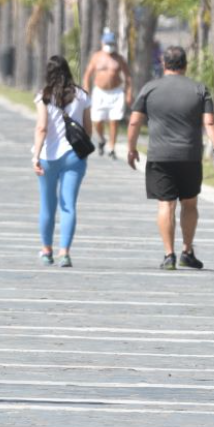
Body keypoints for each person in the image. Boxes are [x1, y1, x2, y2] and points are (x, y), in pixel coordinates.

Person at [126, 46, 214, 270]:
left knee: (166, 204)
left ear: (164, 64)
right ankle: (187, 250)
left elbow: (134, 121)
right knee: (189, 203)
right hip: (189, 157)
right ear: (185, 65)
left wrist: (132, 148)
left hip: (160, 156)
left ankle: (168, 255)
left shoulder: (149, 89)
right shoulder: (199, 89)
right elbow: (210, 123)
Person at [33, 56, 92, 268]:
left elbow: (42, 127)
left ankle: (47, 250)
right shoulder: (82, 95)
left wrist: (35, 155)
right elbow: (87, 128)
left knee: (47, 205)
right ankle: (64, 252)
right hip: (74, 156)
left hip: (48, 156)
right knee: (69, 205)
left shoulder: (44, 96)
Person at [82, 31, 132, 159]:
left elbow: (128, 77)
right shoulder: (97, 57)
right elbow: (88, 74)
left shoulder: (119, 59)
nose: (109, 45)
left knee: (114, 120)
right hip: (100, 91)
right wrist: (86, 89)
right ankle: (101, 138)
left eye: (111, 43)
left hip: (115, 92)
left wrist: (128, 93)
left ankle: (112, 147)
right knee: (97, 120)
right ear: (102, 42)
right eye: (107, 43)